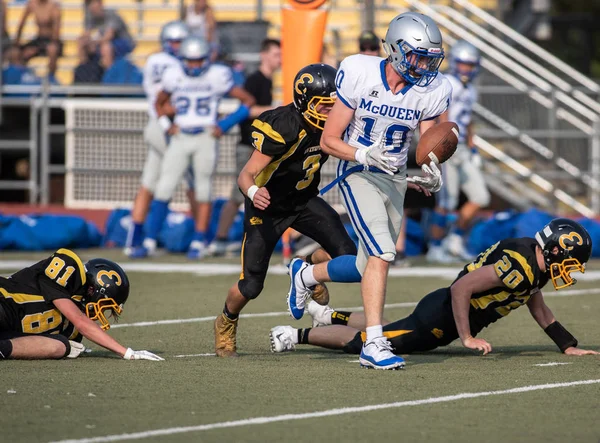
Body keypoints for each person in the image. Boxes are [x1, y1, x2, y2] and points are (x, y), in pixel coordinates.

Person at [316, 12, 451, 369]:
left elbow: (428, 140)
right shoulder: (359, 71)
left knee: (367, 263)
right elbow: (329, 140)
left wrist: (432, 169)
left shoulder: (432, 89)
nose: (423, 65)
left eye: (428, 57)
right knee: (382, 251)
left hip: (393, 176)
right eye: (416, 55)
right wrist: (363, 153)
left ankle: (304, 274)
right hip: (357, 169)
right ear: (393, 49)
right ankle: (374, 342)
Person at [271, 219, 598, 360]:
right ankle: (293, 335)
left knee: (381, 327)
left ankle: (327, 315)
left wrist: (565, 344)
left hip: (441, 313)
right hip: (440, 317)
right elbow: (462, 289)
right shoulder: (519, 265)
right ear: (555, 250)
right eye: (570, 261)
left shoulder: (531, 261)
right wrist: (466, 336)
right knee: (366, 342)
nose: (570, 269)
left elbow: (535, 304)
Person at [214, 64, 358, 358]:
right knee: (252, 284)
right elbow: (245, 175)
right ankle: (226, 321)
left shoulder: (333, 124)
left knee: (349, 259)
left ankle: (307, 268)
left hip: (303, 201)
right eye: (323, 105)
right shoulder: (284, 126)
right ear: (305, 101)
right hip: (266, 208)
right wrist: (255, 191)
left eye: (334, 105)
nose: (331, 112)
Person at [130, 36, 255, 259]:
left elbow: (247, 100)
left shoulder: (217, 75)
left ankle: (199, 240)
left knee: (203, 189)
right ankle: (149, 239)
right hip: (181, 136)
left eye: (198, 60)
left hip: (205, 136)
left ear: (207, 58)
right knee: (164, 188)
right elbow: (158, 103)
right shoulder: (174, 74)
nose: (194, 65)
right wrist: (167, 125)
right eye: (190, 60)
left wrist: (225, 124)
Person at [0, 249, 163, 360]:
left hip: (8, 329)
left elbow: (76, 324)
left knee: (60, 346)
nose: (101, 312)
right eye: (104, 305)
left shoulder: (72, 331)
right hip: (4, 303)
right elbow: (79, 320)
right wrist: (127, 353)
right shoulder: (69, 267)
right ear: (93, 289)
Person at [207, 38, 282, 257]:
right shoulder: (255, 80)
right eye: (276, 54)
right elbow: (245, 110)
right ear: (264, 55)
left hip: (259, 147)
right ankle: (219, 239)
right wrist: (273, 109)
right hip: (246, 145)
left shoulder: (268, 81)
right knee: (238, 193)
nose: (280, 59)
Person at [124, 21, 191, 255]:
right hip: (164, 126)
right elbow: (164, 100)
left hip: (161, 125)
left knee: (149, 182)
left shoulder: (165, 61)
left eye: (182, 41)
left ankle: (134, 239)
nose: (179, 46)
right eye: (175, 41)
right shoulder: (165, 63)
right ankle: (197, 239)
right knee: (187, 179)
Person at [427, 40, 490, 263]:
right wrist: (439, 144)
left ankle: (453, 240)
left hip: (464, 148)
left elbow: (469, 120)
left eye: (470, 65)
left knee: (480, 197)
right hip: (447, 146)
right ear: (455, 63)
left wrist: (473, 148)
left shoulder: (471, 89)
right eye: (463, 64)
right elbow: (438, 115)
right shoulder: (447, 83)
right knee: (446, 202)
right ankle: (435, 247)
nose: (467, 69)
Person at [79, 0, 134, 69]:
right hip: (102, 42)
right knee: (82, 43)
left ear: (100, 4)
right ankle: (84, 72)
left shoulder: (111, 15)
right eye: (88, 4)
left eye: (93, 4)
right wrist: (87, 42)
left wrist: (94, 44)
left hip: (123, 42)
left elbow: (109, 36)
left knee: (106, 47)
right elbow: (86, 35)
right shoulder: (89, 17)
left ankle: (108, 75)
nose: (91, 7)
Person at [14, 0, 62, 78]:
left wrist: (38, 48)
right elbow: (21, 24)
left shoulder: (53, 7)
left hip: (51, 40)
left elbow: (56, 32)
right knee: (17, 53)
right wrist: (17, 42)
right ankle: (22, 77)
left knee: (52, 50)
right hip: (39, 39)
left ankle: (51, 78)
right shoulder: (32, 4)